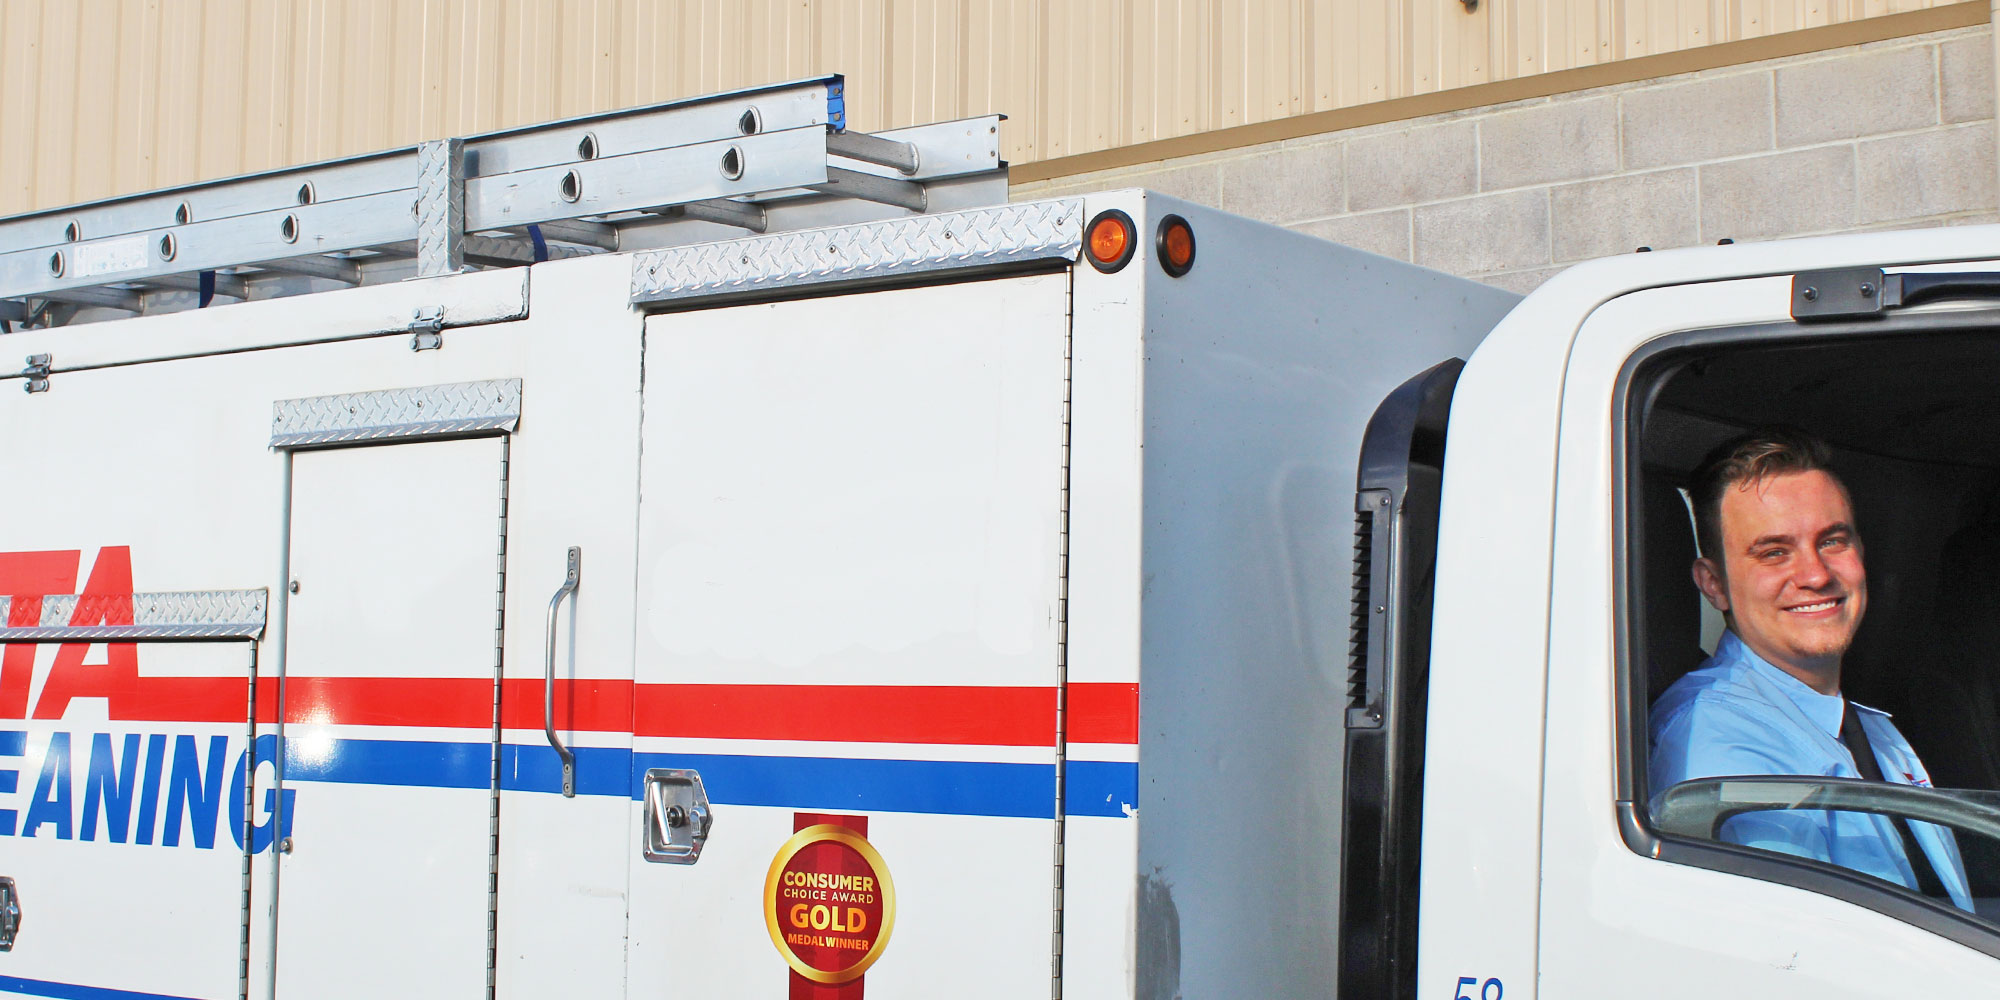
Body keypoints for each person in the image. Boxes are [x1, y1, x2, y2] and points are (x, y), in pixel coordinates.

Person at [1649, 427, 1973, 910]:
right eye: (1774, 552)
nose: (1816, 575)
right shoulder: (1715, 736)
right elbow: (1798, 955)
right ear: (1713, 585)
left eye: (1833, 541)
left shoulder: (1866, 728)